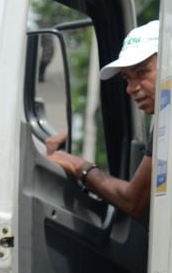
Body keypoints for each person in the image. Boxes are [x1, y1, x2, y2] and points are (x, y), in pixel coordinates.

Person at [46, 19, 159, 219]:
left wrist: (77, 166)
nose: (131, 88)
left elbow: (134, 201)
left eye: (142, 72)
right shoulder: (166, 120)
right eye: (127, 78)